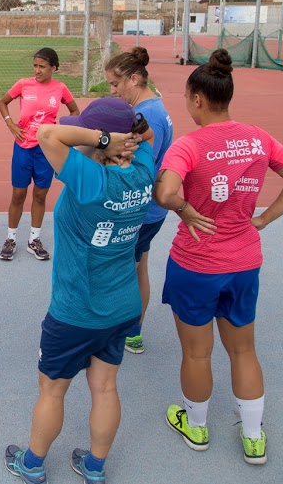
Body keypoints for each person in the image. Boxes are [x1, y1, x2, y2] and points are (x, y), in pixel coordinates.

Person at [154, 49, 283, 465]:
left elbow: (166, 193)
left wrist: (187, 210)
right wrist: (263, 219)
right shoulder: (258, 137)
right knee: (243, 350)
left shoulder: (188, 145)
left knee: (196, 353)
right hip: (244, 260)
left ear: (197, 99)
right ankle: (253, 436)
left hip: (196, 264)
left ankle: (197, 427)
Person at [4, 98, 151, 484]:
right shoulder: (144, 170)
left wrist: (101, 139)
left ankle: (32, 464)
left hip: (75, 311)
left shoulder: (89, 179)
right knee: (104, 387)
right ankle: (95, 468)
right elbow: (145, 135)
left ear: (106, 140)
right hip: (122, 305)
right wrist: (121, 138)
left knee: (51, 391)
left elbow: (48, 134)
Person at [104, 47, 174, 354]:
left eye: (116, 84)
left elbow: (139, 166)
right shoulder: (155, 104)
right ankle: (133, 331)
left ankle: (122, 331)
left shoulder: (147, 116)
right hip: (150, 209)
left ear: (135, 79)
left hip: (140, 210)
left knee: (122, 272)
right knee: (138, 266)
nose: (113, 91)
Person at [0, 47, 78, 261]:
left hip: (46, 151)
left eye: (42, 67)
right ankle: (11, 238)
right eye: (35, 66)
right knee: (18, 195)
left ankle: (34, 240)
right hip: (23, 147)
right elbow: (2, 102)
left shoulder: (60, 88)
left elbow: (75, 112)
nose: (37, 70)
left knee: (40, 195)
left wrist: (61, 132)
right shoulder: (23, 84)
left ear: (54, 68)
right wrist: (11, 124)